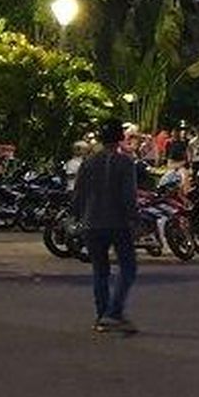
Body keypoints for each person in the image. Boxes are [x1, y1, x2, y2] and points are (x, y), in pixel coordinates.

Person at [71, 118, 140, 334]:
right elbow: (129, 197)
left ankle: (102, 317)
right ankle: (114, 312)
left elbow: (78, 195)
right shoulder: (125, 163)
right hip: (118, 223)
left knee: (100, 271)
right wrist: (135, 220)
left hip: (92, 222)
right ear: (120, 138)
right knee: (128, 267)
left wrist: (80, 217)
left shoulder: (88, 162)